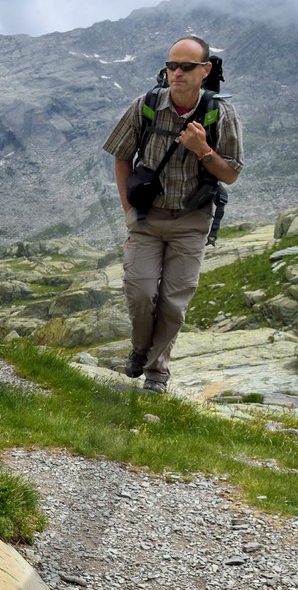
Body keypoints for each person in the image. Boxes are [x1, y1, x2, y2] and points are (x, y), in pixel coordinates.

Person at [102, 35, 243, 393]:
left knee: (173, 304)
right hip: (147, 219)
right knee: (140, 292)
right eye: (171, 65)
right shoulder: (146, 105)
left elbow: (231, 173)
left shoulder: (220, 113)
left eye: (187, 67)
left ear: (205, 70)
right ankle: (140, 348)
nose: (177, 73)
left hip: (192, 222)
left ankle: (156, 374)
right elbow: (121, 155)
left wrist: (203, 150)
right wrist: (128, 209)